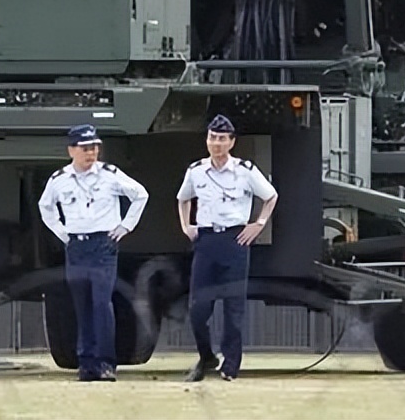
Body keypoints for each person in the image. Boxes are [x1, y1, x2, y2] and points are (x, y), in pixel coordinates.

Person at [37, 123, 150, 382]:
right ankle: (86, 363)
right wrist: (63, 233)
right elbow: (46, 207)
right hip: (77, 246)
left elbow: (140, 194)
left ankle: (106, 362)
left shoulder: (109, 175)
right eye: (86, 148)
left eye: (95, 148)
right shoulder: (60, 179)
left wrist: (125, 226)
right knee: (82, 305)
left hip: (102, 245)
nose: (91, 153)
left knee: (102, 304)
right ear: (71, 150)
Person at [176, 113, 278, 382]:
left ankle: (231, 365)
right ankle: (206, 356)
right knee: (198, 308)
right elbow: (183, 198)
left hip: (235, 240)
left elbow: (270, 196)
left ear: (231, 142)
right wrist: (187, 226)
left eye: (222, 139)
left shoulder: (245, 170)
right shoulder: (196, 171)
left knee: (234, 308)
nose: (216, 144)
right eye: (212, 138)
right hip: (207, 240)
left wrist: (259, 224)